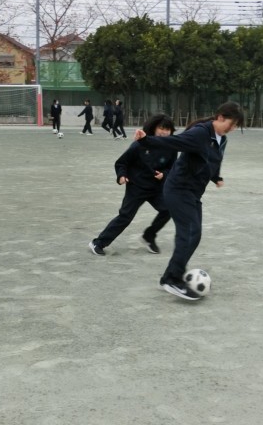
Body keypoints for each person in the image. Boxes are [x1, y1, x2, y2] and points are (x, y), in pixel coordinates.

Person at [133, 101, 245, 301]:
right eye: (232, 124)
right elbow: (173, 142)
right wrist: (146, 140)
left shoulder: (222, 139)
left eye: (236, 126)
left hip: (193, 193)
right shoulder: (201, 133)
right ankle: (172, 279)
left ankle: (172, 273)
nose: (233, 128)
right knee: (188, 233)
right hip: (178, 189)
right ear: (220, 117)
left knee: (195, 234)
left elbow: (214, 160)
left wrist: (216, 177)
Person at [89, 114, 178, 256]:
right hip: (136, 187)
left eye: (167, 129)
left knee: (169, 209)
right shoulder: (139, 144)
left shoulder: (171, 148)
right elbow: (122, 163)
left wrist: (164, 175)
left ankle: (149, 236)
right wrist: (121, 176)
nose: (164, 132)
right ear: (153, 128)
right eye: (161, 128)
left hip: (156, 188)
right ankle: (98, 242)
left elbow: (172, 168)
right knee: (125, 216)